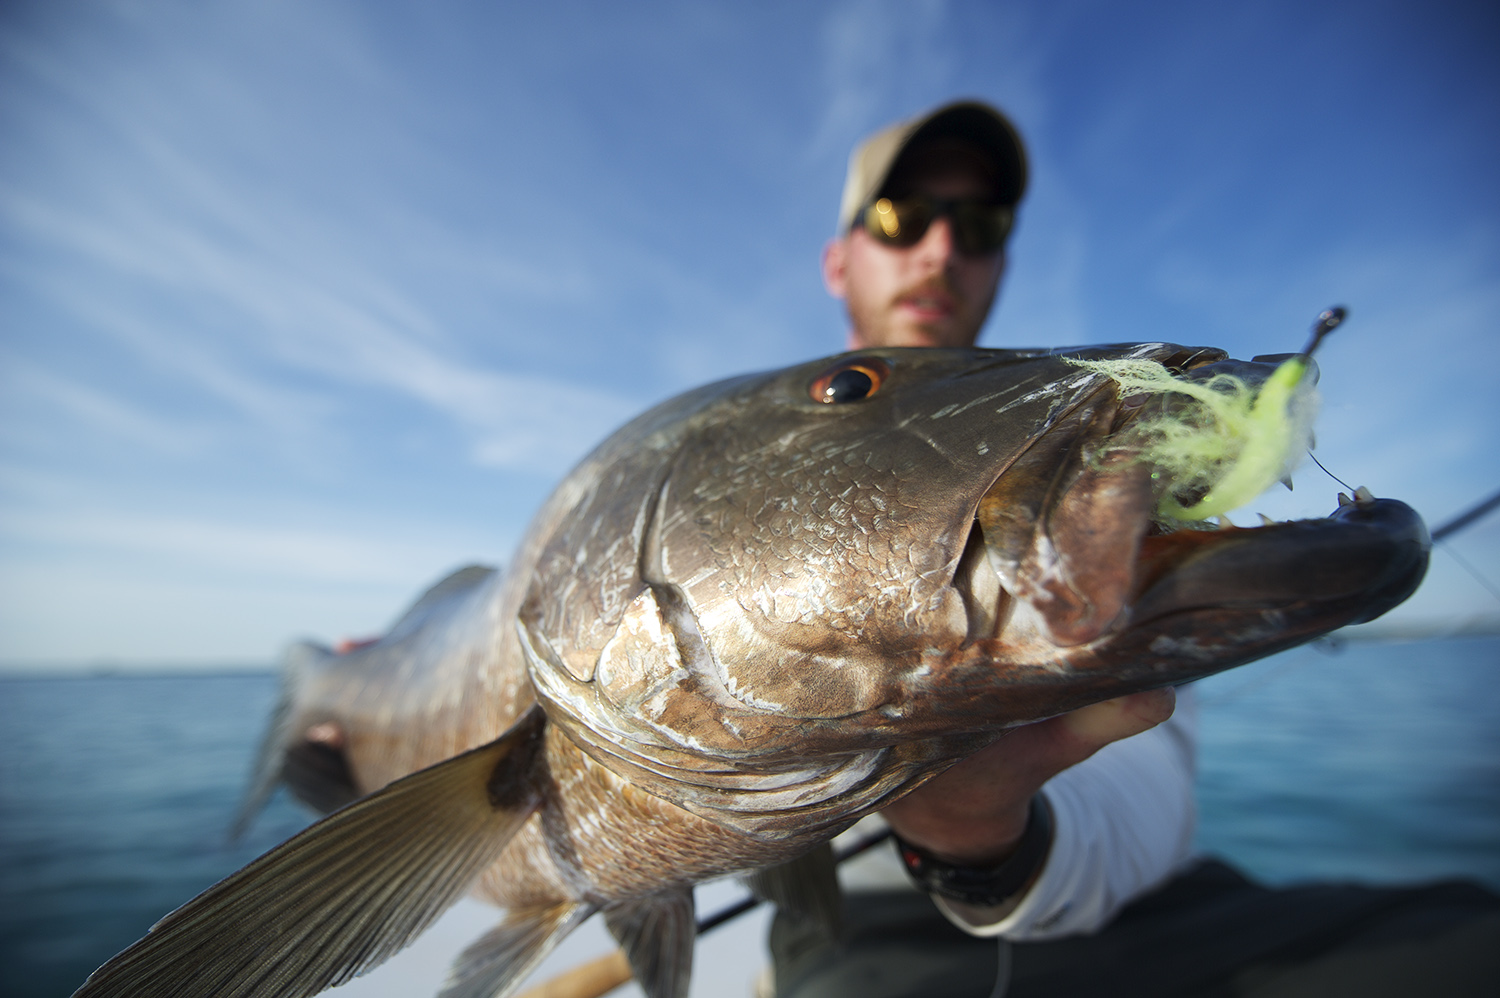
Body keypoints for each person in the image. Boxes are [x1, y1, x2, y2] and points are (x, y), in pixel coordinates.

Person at [769, 100, 1500, 998]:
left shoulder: (1078, 456)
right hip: (867, 935)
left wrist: (984, 837)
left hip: (1150, 915)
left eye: (980, 224)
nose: (939, 251)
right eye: (901, 217)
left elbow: (1148, 777)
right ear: (839, 259)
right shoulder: (758, 465)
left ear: (1001, 257)